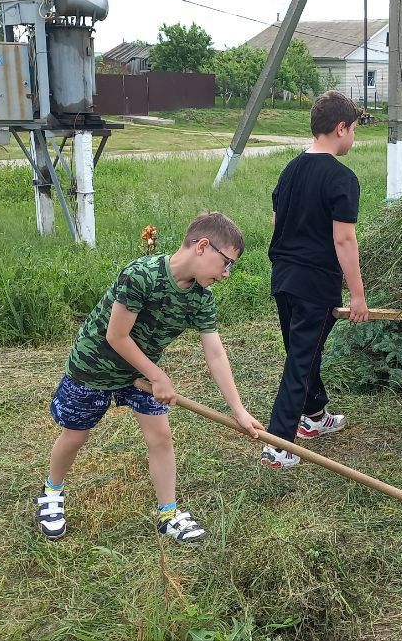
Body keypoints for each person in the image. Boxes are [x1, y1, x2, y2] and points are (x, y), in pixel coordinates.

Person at [34, 212, 263, 543]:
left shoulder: (201, 298)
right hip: (95, 364)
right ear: (202, 246)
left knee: (161, 437)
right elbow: (117, 336)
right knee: (75, 435)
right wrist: (158, 376)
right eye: (226, 263)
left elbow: (215, 354)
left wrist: (239, 411)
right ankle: (51, 493)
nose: (226, 274)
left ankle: (168, 514)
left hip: (142, 372)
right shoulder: (141, 275)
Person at [261, 91, 369, 470]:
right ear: (341, 129)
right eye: (354, 129)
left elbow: (277, 221)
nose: (354, 136)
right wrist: (357, 294)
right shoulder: (342, 178)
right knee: (300, 362)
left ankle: (314, 414)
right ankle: (278, 444)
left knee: (303, 353)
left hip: (283, 279)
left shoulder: (290, 169)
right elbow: (343, 239)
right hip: (314, 285)